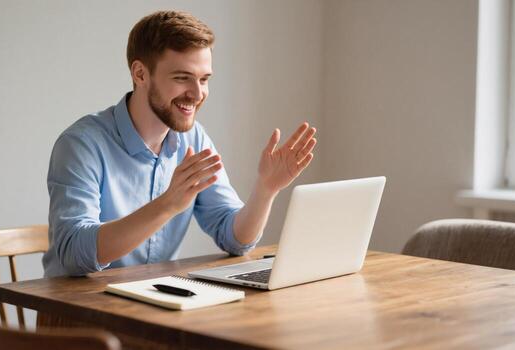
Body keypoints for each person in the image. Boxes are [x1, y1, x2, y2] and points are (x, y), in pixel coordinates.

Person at [42, 10, 317, 277]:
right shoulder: (81, 145)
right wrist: (167, 205)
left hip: (151, 303)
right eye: (182, 78)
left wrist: (265, 190)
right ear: (140, 74)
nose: (197, 94)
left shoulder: (193, 138)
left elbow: (235, 240)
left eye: (204, 79)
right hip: (77, 314)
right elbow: (73, 253)